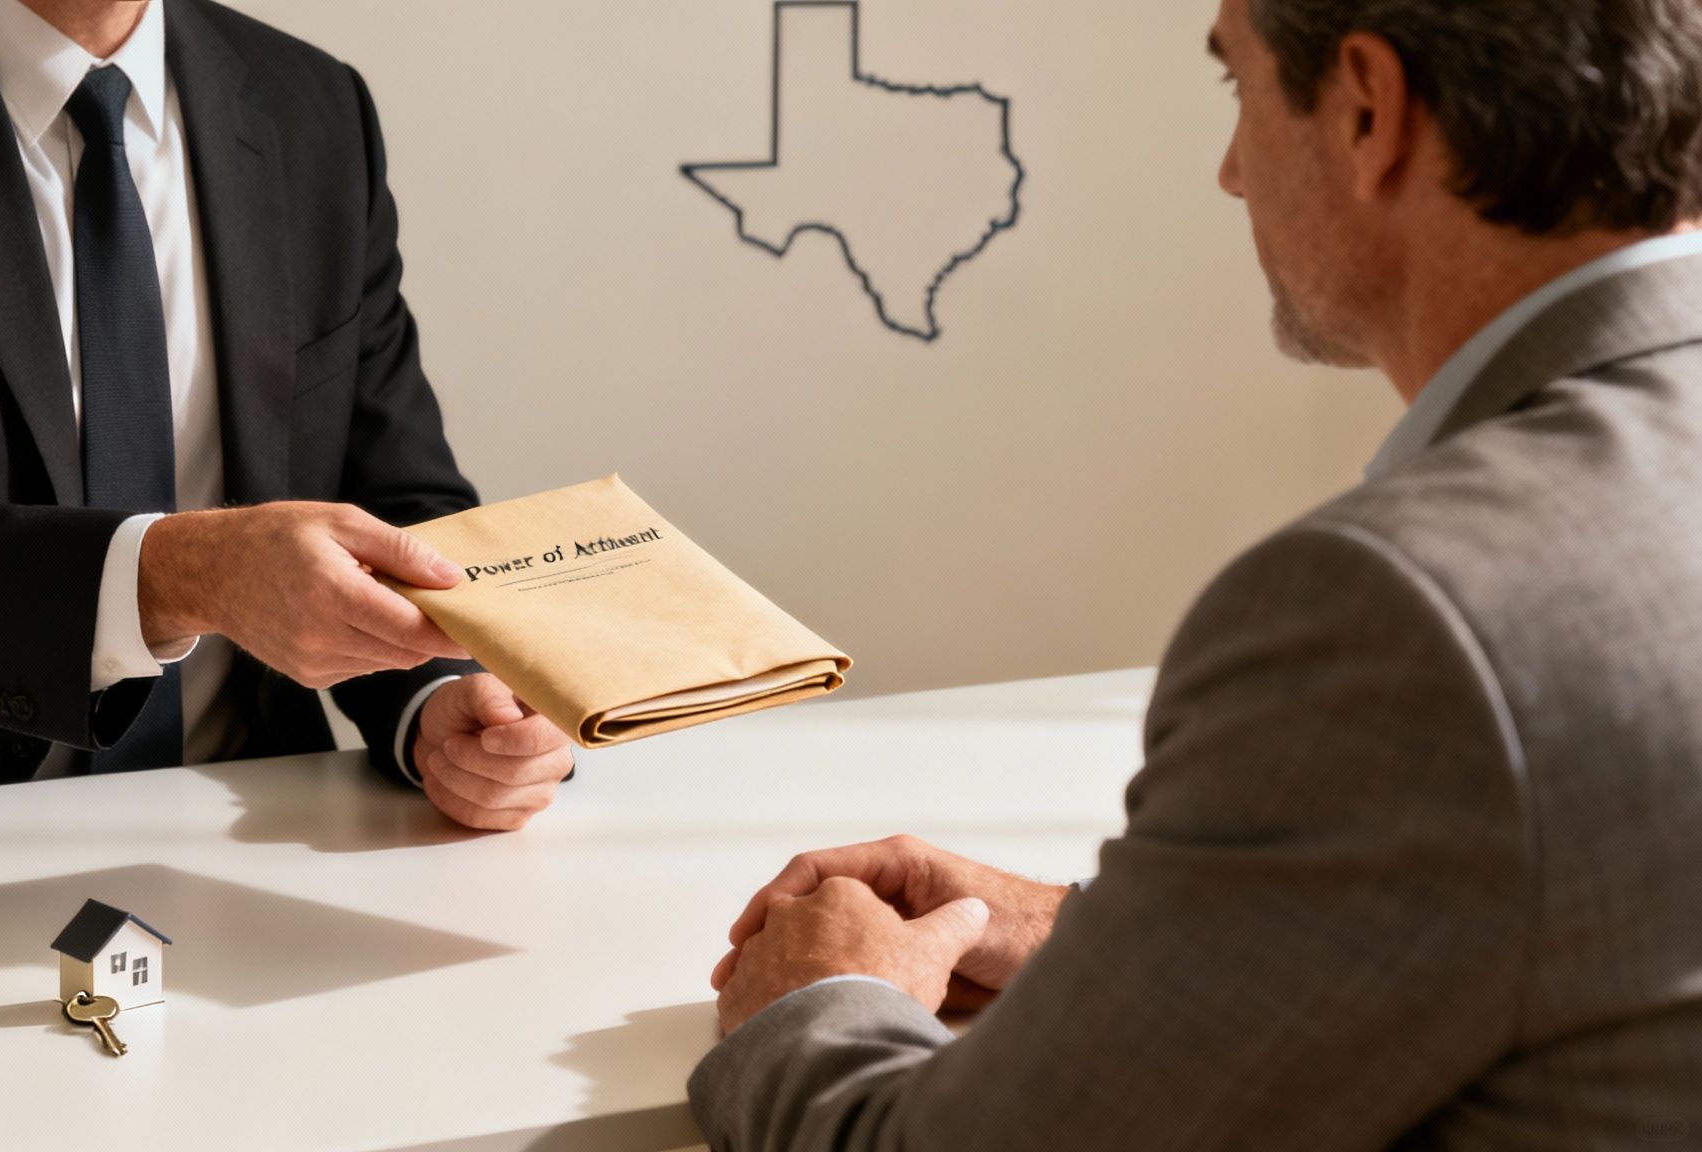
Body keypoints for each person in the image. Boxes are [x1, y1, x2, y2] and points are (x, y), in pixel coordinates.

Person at [692, 0, 1702, 1146]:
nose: (1228, 173)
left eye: (1241, 90)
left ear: (1368, 110)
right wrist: (1104, 940)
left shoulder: (1404, 609)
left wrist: (816, 1000)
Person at [0, 0, 575, 827]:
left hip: (248, 823)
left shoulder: (312, 104)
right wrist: (183, 577)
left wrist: (449, 703)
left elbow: (394, 492)